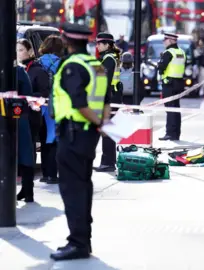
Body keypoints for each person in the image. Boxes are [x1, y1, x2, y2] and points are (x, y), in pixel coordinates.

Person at [49, 22, 110, 261]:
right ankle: (84, 239)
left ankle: (77, 243)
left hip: (73, 134)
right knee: (84, 186)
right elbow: (106, 99)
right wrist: (103, 124)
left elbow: (79, 103)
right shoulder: (97, 65)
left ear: (66, 41)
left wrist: (96, 122)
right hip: (88, 136)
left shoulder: (72, 66)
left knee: (72, 189)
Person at [17, 39, 50, 174]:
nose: (17, 53)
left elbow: (44, 93)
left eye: (21, 50)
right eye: (16, 50)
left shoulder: (37, 70)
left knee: (28, 144)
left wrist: (28, 96)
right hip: (15, 113)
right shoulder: (15, 69)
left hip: (31, 115)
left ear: (30, 51)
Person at [38, 35, 64, 184]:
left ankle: (45, 173)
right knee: (54, 138)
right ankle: (53, 175)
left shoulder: (39, 62)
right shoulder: (61, 64)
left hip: (39, 105)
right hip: (57, 105)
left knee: (43, 138)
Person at [94, 32, 121, 172]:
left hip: (109, 100)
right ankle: (108, 161)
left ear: (107, 44)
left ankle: (108, 162)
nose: (97, 46)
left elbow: (103, 82)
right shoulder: (109, 58)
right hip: (112, 98)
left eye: (99, 43)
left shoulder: (108, 59)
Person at [157, 33, 186, 141]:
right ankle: (176, 134)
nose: (164, 42)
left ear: (170, 40)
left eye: (165, 40)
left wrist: (159, 65)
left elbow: (161, 68)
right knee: (176, 108)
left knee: (169, 109)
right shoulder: (181, 52)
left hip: (169, 84)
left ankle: (169, 133)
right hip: (179, 83)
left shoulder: (168, 53)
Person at [16, 66, 35, 202]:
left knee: (24, 152)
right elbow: (28, 94)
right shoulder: (18, 71)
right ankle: (28, 190)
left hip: (17, 116)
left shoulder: (18, 71)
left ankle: (27, 190)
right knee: (24, 153)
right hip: (19, 115)